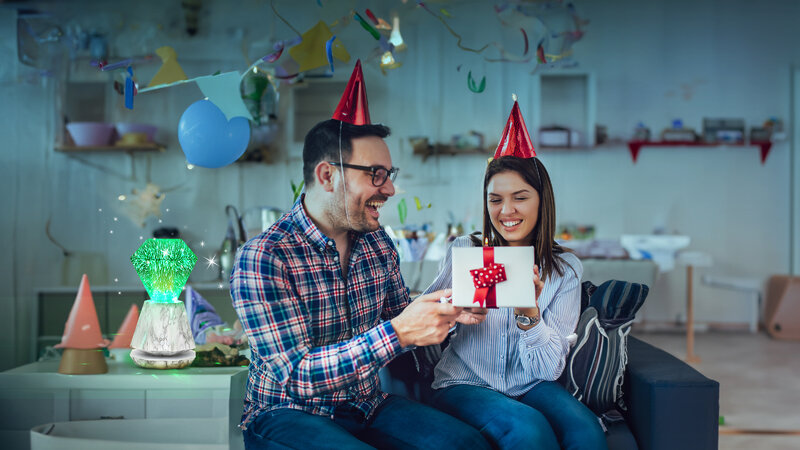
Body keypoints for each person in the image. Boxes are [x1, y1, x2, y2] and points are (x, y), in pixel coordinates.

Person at [230, 61, 490, 450]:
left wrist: (454, 310)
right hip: (287, 412)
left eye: (389, 173)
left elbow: (400, 314)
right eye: (375, 174)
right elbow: (297, 375)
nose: (389, 189)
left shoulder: (375, 242)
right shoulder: (265, 257)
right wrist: (399, 332)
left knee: (467, 444)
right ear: (327, 176)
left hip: (365, 405)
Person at [420, 100, 608, 449]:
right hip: (465, 383)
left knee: (587, 432)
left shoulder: (564, 268)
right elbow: (424, 313)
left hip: (531, 383)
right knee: (528, 430)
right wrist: (452, 308)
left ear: (541, 200)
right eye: (495, 200)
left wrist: (528, 313)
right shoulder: (467, 250)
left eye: (520, 198)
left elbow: (548, 371)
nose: (506, 211)